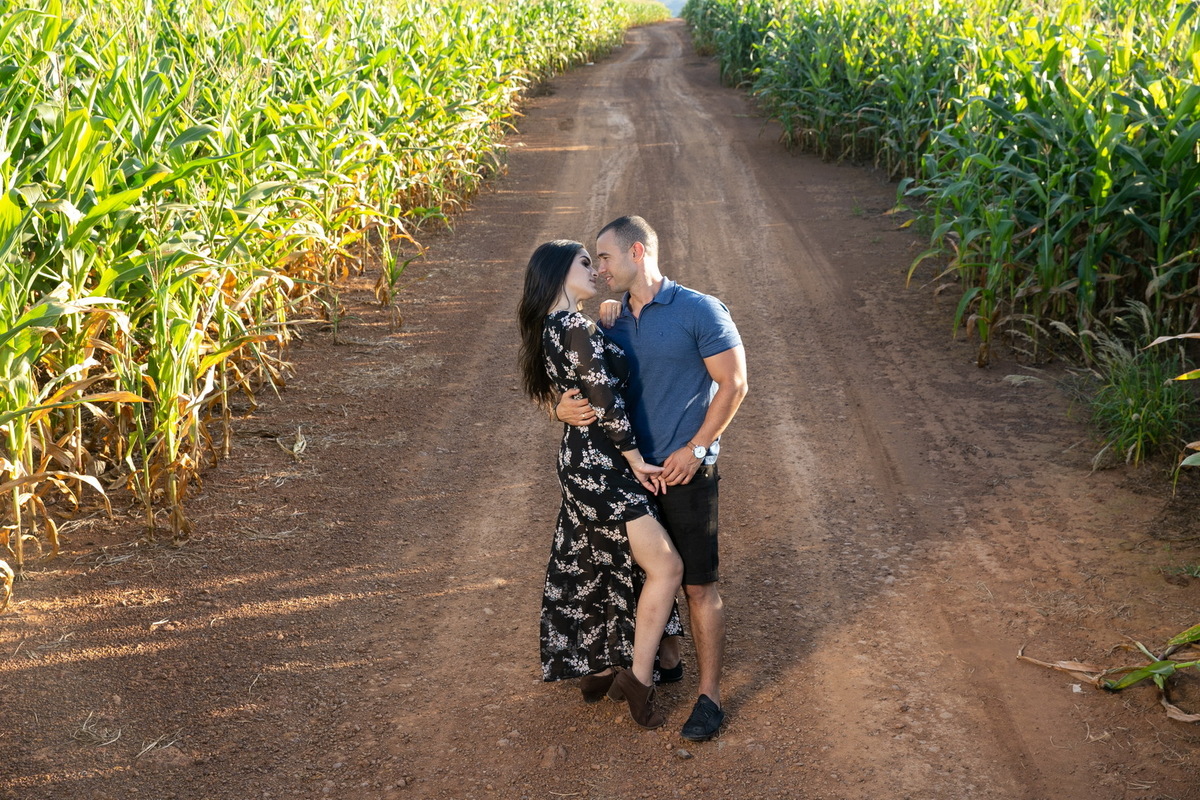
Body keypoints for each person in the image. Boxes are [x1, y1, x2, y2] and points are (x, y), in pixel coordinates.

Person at [555, 216, 747, 742]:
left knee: (699, 586)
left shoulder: (700, 310)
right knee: (635, 574)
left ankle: (709, 698)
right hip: (627, 476)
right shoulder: (609, 319)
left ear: (637, 252)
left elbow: (734, 384)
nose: (599, 269)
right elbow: (583, 383)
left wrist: (696, 448)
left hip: (685, 471)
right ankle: (662, 662)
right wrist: (559, 409)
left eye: (607, 257)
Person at [517, 239, 685, 730]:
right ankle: (636, 675)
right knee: (666, 566)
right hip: (602, 464)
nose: (595, 270)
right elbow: (605, 400)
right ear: (556, 271)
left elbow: (574, 387)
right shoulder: (572, 326)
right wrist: (635, 461)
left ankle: (602, 665)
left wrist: (607, 317)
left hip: (582, 460)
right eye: (585, 263)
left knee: (599, 562)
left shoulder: (557, 326)